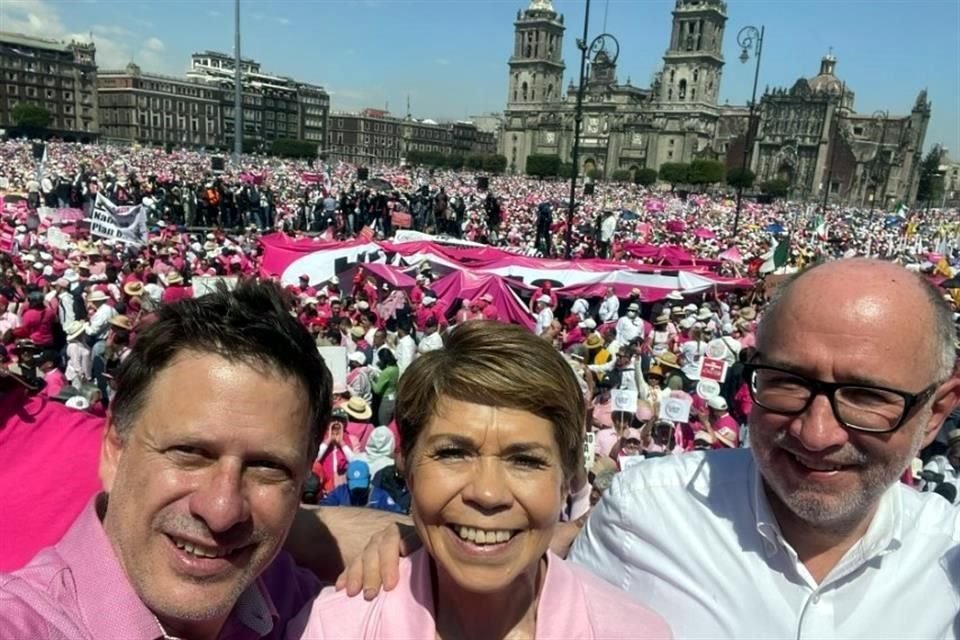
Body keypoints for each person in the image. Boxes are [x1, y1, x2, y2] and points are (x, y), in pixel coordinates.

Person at [571, 259, 960, 638]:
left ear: (935, 413)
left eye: (865, 396)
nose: (816, 434)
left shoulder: (950, 556)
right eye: (788, 382)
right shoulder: (642, 516)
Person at [287, 320, 671, 639]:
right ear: (405, 462)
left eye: (525, 460)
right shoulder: (331, 628)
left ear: (568, 476)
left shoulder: (636, 632)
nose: (487, 493)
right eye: (453, 454)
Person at [0, 280, 335, 638]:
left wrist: (398, 546)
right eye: (189, 453)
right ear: (114, 448)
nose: (221, 511)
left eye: (267, 467)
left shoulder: (302, 605)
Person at [322, 460, 405, 514]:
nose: (358, 492)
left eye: (361, 487)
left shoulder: (380, 497)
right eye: (355, 488)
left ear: (369, 478)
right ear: (347, 480)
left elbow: (398, 514)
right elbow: (323, 509)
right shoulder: (339, 493)